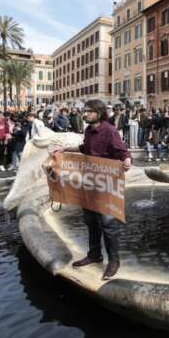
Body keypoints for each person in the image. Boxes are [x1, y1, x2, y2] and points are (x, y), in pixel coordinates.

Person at [53, 99, 132, 280]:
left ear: (98, 112)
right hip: (89, 183)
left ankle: (114, 261)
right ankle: (95, 255)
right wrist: (66, 149)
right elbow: (85, 148)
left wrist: (127, 161)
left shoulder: (110, 130)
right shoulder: (89, 130)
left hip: (106, 184)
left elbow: (122, 152)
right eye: (84, 111)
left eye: (88, 111)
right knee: (90, 220)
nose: (84, 114)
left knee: (108, 225)